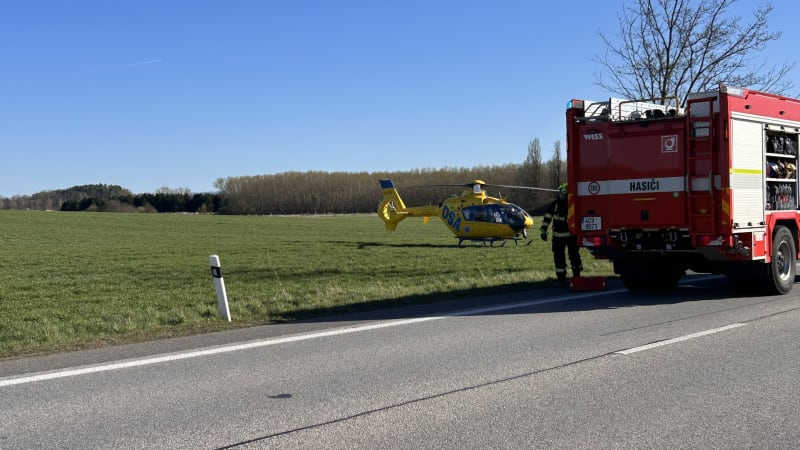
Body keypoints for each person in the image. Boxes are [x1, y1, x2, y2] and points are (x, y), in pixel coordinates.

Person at [540, 183, 583, 285]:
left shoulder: (572, 205)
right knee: (559, 257)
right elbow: (547, 218)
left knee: (574, 255)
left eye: (565, 193)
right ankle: (561, 277)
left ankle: (577, 275)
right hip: (557, 236)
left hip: (571, 236)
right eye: (562, 193)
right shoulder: (555, 204)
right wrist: (543, 231)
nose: (563, 195)